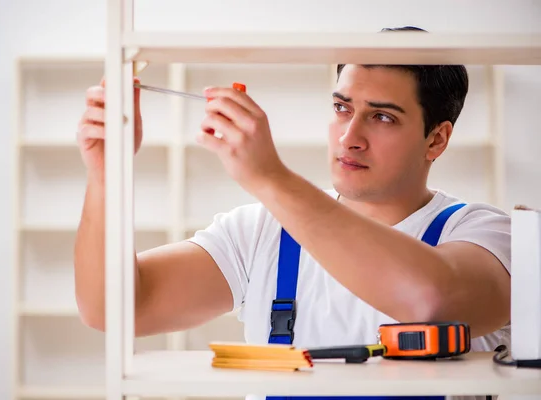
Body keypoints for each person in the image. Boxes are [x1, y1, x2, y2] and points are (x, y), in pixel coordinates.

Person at [74, 26, 511, 400]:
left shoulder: (487, 235)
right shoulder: (260, 231)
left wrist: (269, 176)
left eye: (381, 117)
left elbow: (432, 301)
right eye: (342, 108)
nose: (350, 137)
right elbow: (113, 309)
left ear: (436, 139)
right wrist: (105, 177)